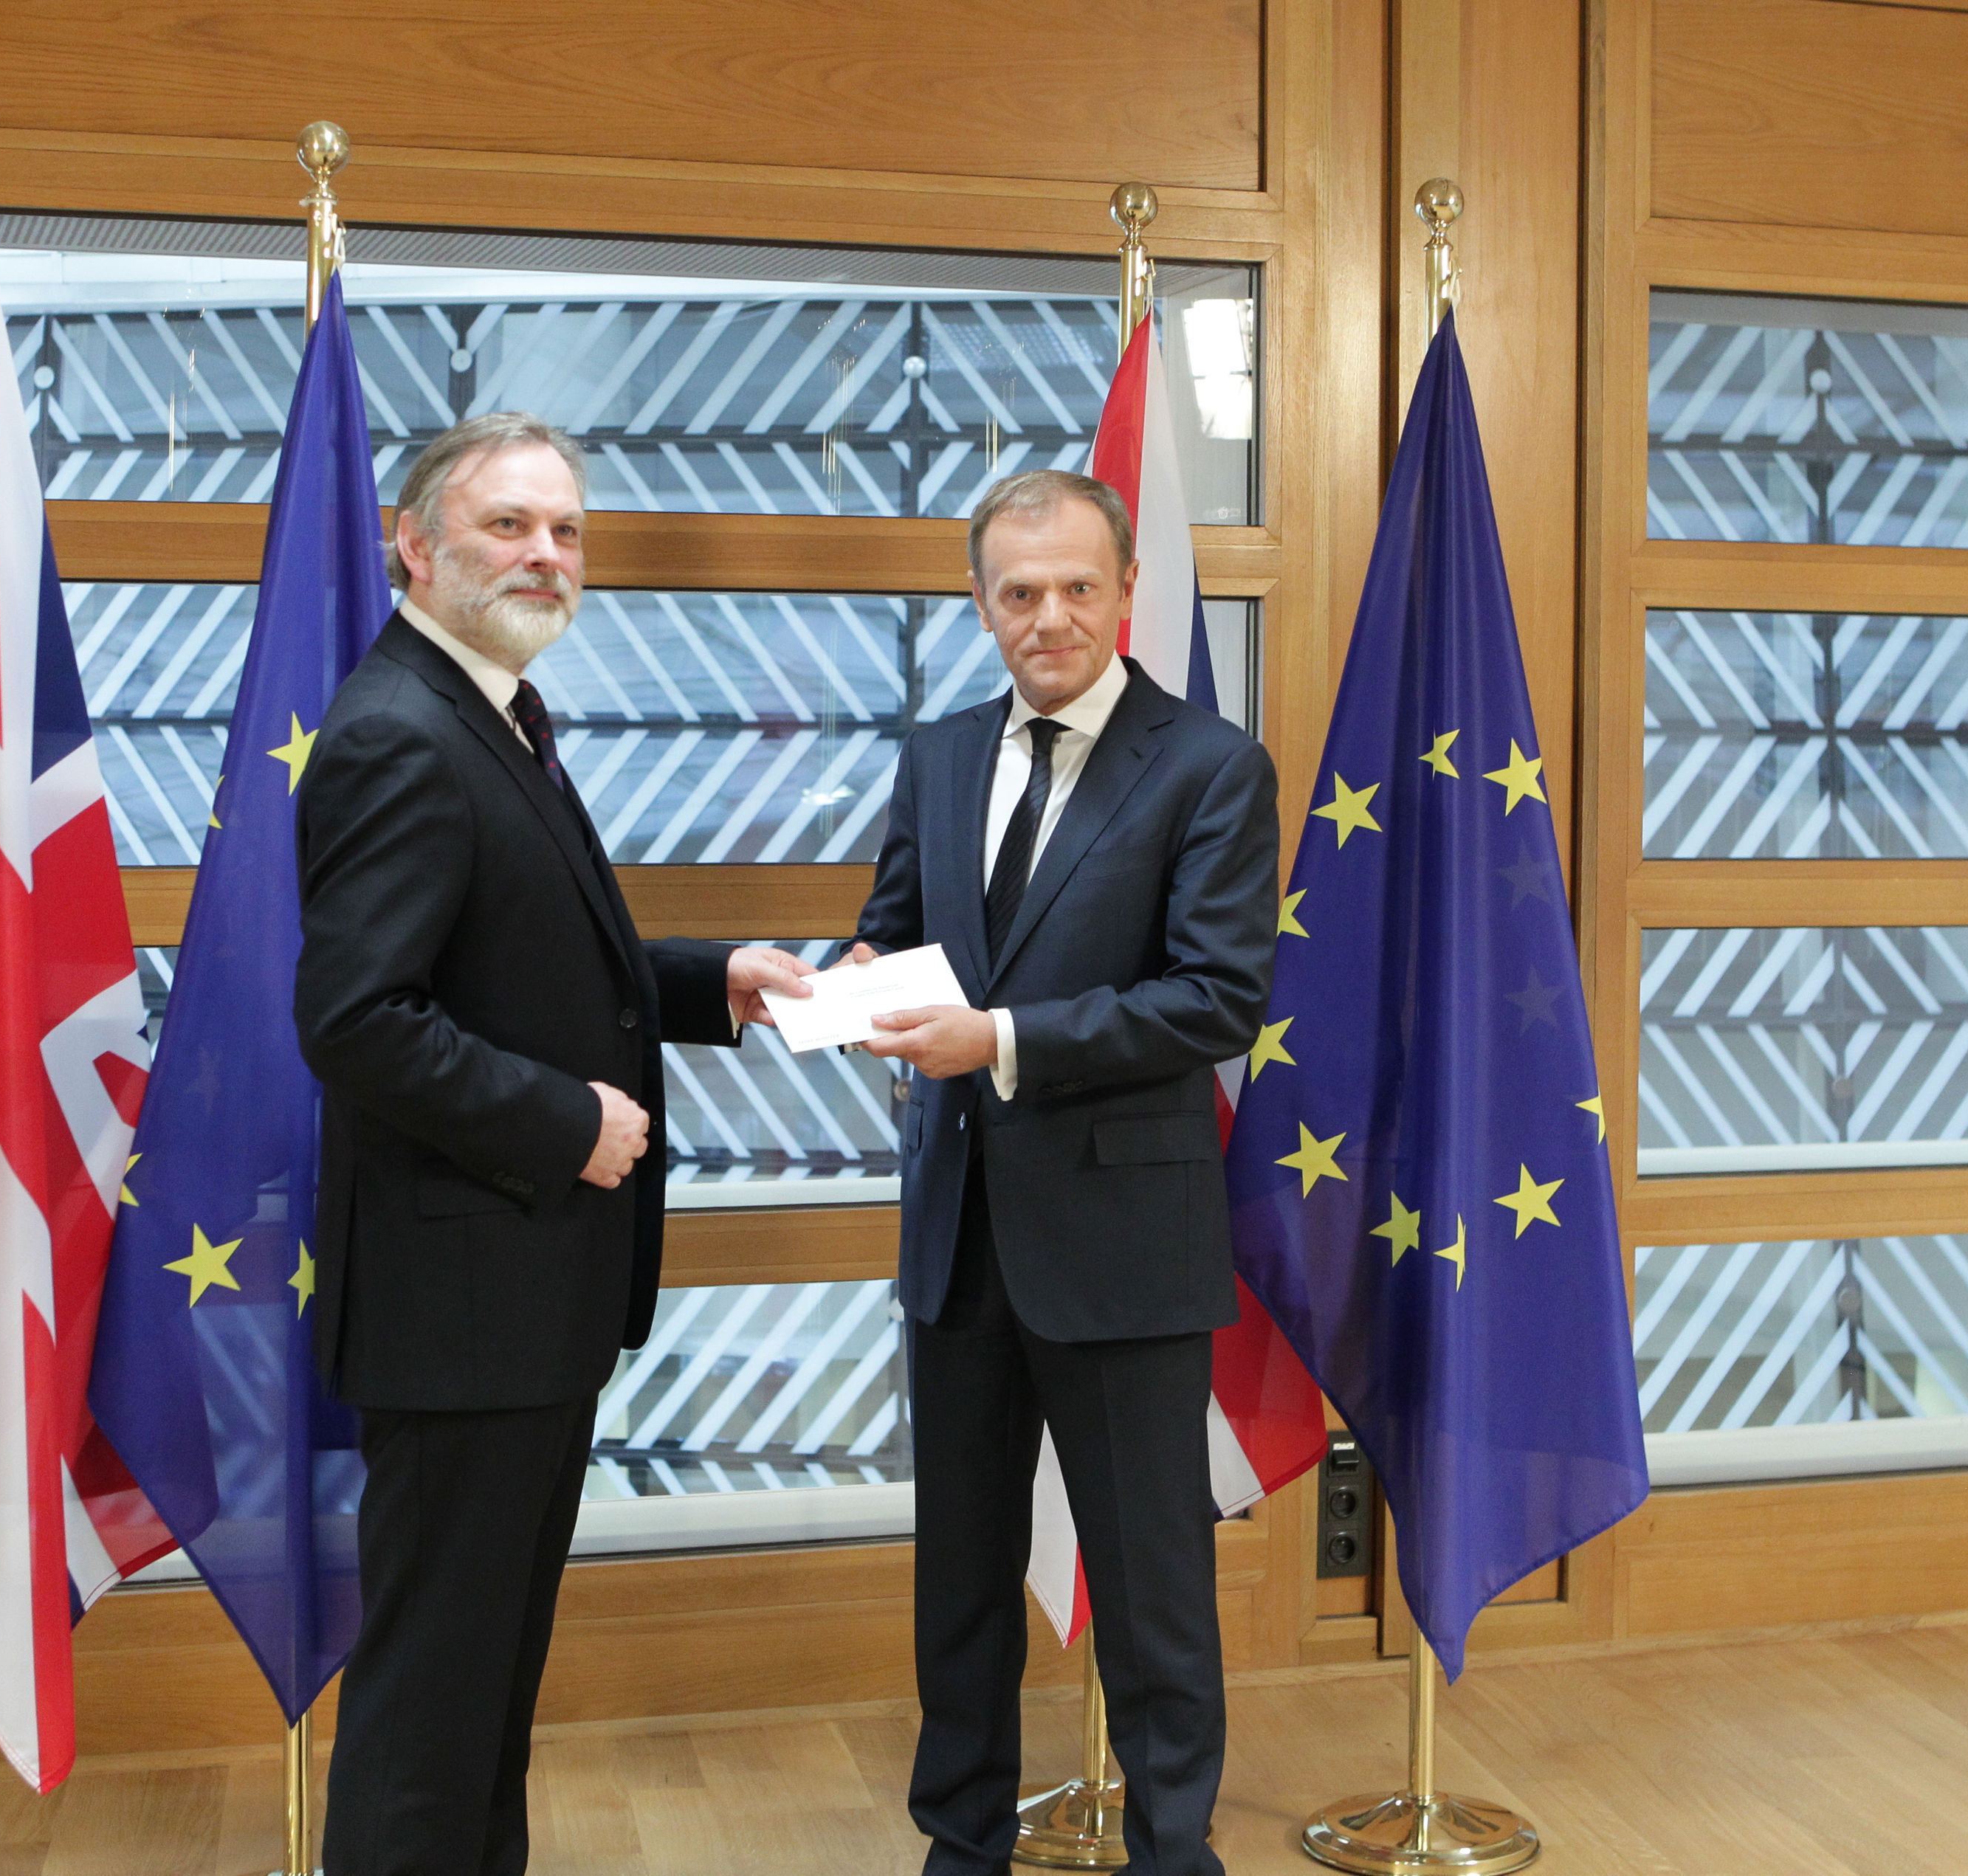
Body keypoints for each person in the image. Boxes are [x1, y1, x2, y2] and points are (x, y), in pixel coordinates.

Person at [294, 412, 811, 1876]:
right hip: (461, 1310)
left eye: (566, 530)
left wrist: (711, 983)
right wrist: (565, 1118)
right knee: (431, 1708)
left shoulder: (491, 708)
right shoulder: (400, 729)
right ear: (416, 542)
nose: (545, 553)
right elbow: (358, 1018)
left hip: (518, 1308)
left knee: (479, 1698)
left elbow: (523, 962)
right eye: (508, 524)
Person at [853, 469, 1279, 1876]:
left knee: (1155, 1596)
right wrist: (857, 984)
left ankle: (1175, 1856)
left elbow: (1216, 998)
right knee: (957, 1592)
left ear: (1125, 594)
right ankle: (959, 1848)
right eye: (1020, 592)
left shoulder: (1210, 766)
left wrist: (1002, 1037)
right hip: (958, 1239)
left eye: (1077, 588)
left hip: (1123, 1247)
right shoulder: (938, 754)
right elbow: (897, 930)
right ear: (983, 604)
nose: (1051, 617)